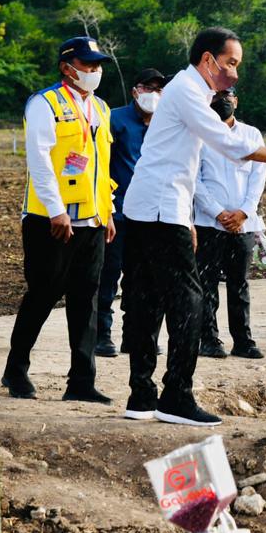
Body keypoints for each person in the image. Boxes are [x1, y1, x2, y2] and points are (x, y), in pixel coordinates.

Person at [121, 28, 266, 427]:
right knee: (189, 301)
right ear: (208, 60)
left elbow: (187, 161)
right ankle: (176, 395)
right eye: (231, 63)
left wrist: (186, 217)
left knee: (146, 300)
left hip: (149, 207)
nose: (235, 73)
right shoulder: (187, 91)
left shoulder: (187, 92)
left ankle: (141, 395)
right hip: (160, 208)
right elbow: (227, 144)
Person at [3, 37, 117, 403]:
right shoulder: (44, 103)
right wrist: (55, 209)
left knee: (87, 301)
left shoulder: (100, 107)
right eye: (87, 64)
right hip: (49, 221)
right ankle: (16, 370)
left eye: (97, 65)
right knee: (42, 295)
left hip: (92, 221)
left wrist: (109, 210)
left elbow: (100, 165)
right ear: (67, 67)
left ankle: (81, 381)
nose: (94, 71)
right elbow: (39, 160)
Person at [95, 68, 169, 358]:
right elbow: (100, 167)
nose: (154, 94)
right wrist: (107, 211)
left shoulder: (165, 124)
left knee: (141, 281)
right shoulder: (114, 120)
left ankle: (133, 336)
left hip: (151, 215)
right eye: (148, 88)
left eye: (159, 89)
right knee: (109, 276)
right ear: (136, 90)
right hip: (118, 212)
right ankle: (102, 335)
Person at [194, 89, 266, 360]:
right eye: (217, 96)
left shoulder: (251, 135)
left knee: (239, 285)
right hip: (209, 222)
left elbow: (258, 177)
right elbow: (194, 179)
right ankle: (209, 339)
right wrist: (217, 212)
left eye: (228, 96)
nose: (223, 101)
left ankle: (243, 340)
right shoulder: (199, 135)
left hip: (243, 224)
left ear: (236, 100)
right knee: (207, 282)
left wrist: (244, 213)